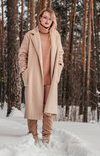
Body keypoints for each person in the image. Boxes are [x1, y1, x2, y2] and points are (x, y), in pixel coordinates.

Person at [18, 8, 64, 145]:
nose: (47, 21)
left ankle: (46, 137)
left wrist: (59, 69)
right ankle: (33, 136)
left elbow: (60, 53)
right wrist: (24, 72)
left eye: (50, 19)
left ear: (52, 21)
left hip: (50, 77)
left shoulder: (55, 36)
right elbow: (22, 54)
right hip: (34, 77)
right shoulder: (30, 35)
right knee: (33, 107)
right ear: (39, 18)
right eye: (45, 17)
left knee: (48, 109)